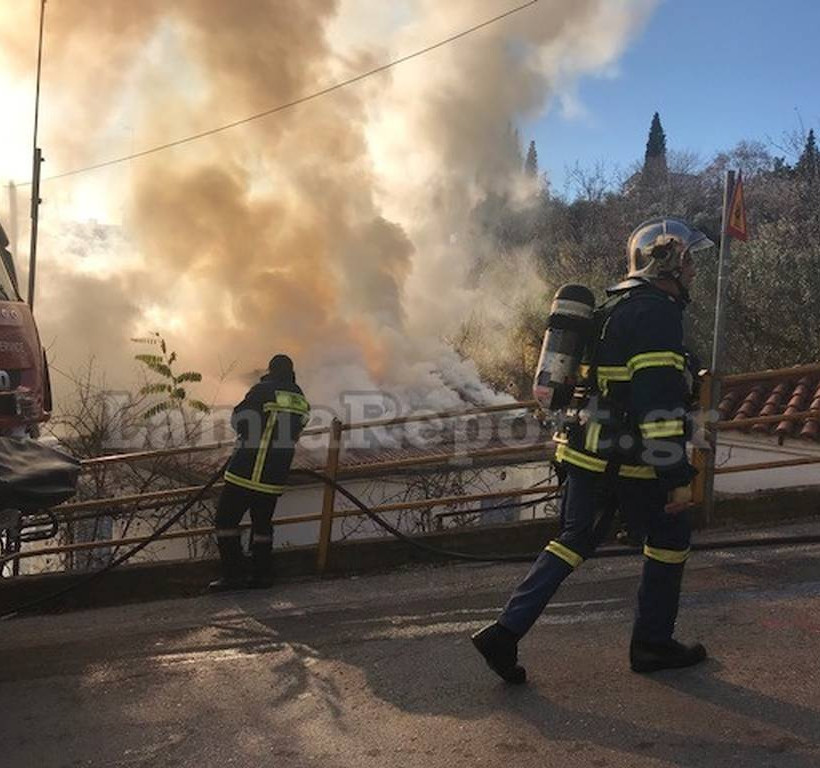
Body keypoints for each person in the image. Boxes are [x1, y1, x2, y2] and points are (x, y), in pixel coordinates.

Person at [472, 216, 714, 681]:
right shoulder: (657, 312)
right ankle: (652, 645)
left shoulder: (615, 307)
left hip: (585, 451)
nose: (693, 272)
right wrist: (676, 476)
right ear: (667, 261)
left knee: (573, 541)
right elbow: (657, 404)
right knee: (669, 538)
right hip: (629, 459)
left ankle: (504, 633)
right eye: (688, 261)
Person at [209, 354, 310, 591]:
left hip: (246, 469)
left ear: (271, 370)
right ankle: (262, 575)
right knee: (262, 525)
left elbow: (238, 420)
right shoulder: (301, 399)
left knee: (225, 521)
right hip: (274, 476)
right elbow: (296, 432)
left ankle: (233, 576)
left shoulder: (262, 391)